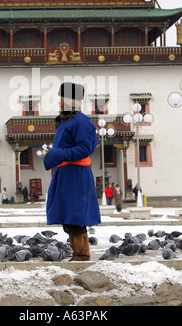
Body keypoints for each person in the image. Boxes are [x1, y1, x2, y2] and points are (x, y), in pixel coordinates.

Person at [44, 82, 101, 261]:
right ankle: (78, 253)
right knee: (68, 215)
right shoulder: (67, 120)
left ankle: (82, 255)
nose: (59, 102)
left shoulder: (81, 121)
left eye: (62, 98)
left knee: (75, 216)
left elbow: (85, 149)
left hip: (76, 174)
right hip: (66, 173)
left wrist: (59, 154)